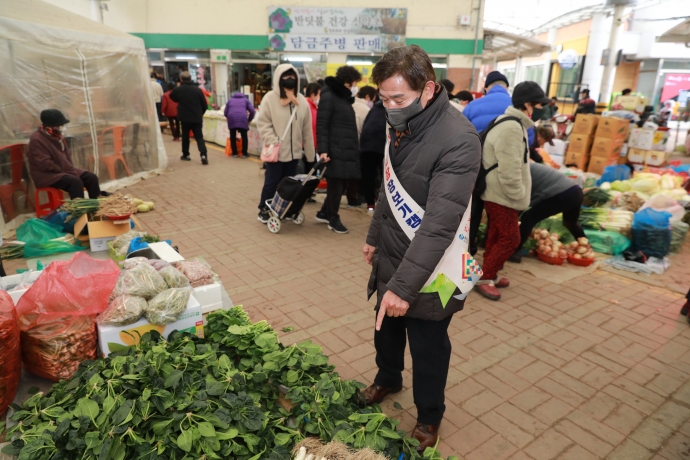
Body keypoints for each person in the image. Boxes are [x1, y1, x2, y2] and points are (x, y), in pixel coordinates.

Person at [361, 45, 480, 451]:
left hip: (434, 268)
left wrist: (403, 287)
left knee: (428, 348)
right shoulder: (403, 123)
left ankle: (429, 416)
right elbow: (387, 185)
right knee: (387, 331)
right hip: (392, 253)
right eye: (384, 99)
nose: (390, 107)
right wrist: (374, 236)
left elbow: (438, 226)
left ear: (427, 90)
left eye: (399, 99)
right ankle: (387, 377)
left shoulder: (459, 139)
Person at [476, 81, 550, 301]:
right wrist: (518, 195)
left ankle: (491, 273)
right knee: (510, 238)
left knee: (496, 234)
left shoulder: (513, 124)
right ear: (527, 105)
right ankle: (485, 277)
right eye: (538, 104)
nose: (541, 108)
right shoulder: (511, 128)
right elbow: (509, 169)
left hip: (496, 191)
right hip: (501, 194)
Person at [256, 64, 315, 223]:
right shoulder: (270, 98)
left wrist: (310, 156)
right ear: (278, 78)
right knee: (271, 183)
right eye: (286, 77)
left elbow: (307, 130)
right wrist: (274, 141)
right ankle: (264, 208)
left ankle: (283, 210)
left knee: (289, 185)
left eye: (293, 77)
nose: (290, 80)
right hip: (277, 152)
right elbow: (263, 124)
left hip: (294, 153)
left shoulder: (301, 101)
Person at [315, 66, 362, 234]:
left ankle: (324, 212)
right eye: (353, 84)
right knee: (336, 185)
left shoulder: (342, 98)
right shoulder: (329, 95)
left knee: (339, 185)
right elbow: (322, 125)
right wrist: (323, 150)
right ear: (345, 82)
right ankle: (333, 219)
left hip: (344, 148)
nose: (354, 87)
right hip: (334, 149)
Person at [509, 162, 586, 263]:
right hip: (576, 192)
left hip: (562, 194)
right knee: (570, 223)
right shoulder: (528, 166)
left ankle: (515, 251)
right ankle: (586, 247)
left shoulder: (520, 172)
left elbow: (522, 200)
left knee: (529, 217)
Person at [27, 109, 104, 199]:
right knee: (75, 182)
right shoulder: (36, 139)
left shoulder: (58, 136)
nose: (63, 128)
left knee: (91, 177)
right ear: (51, 127)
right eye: (60, 125)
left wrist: (68, 169)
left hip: (63, 170)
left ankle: (96, 208)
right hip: (47, 175)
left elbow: (67, 156)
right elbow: (44, 164)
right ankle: (79, 211)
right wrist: (64, 170)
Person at [170, 71, 209, 164]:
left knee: (185, 136)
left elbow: (172, 97)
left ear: (181, 79)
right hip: (197, 117)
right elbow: (204, 105)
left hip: (184, 117)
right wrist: (200, 113)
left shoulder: (178, 90)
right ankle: (203, 155)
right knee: (199, 136)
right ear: (191, 78)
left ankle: (186, 154)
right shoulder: (197, 90)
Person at [360, 99, 387, 212]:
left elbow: (365, 125)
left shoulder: (374, 108)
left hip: (366, 146)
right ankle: (383, 204)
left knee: (368, 176)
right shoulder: (394, 109)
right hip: (382, 147)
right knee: (385, 177)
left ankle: (370, 203)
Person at [224, 92, 255, 158]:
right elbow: (252, 110)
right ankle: (244, 154)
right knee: (244, 137)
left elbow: (225, 112)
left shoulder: (230, 100)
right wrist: (249, 120)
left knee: (232, 136)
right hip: (243, 119)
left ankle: (234, 153)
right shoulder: (245, 100)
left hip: (232, 118)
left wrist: (228, 117)